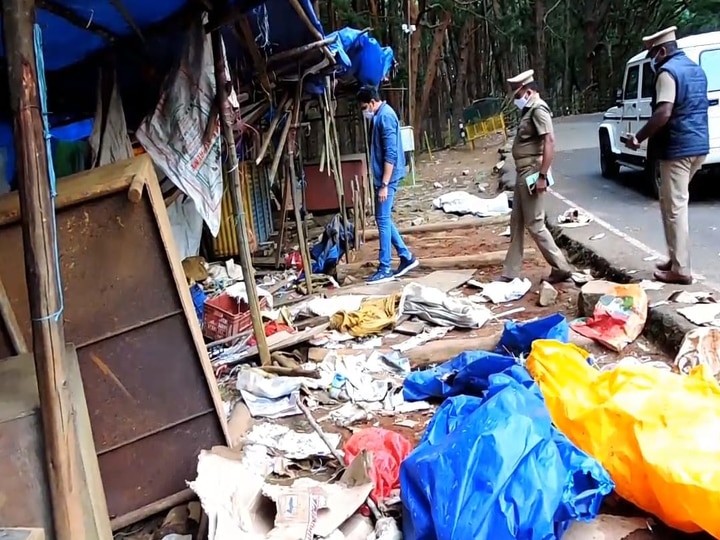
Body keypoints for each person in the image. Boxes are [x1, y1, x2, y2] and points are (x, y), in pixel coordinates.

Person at [625, 26, 709, 285]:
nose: (652, 59)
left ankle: (681, 269)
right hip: (698, 146)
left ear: (662, 51)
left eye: (653, 54)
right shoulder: (695, 68)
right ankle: (674, 259)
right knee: (670, 203)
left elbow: (663, 113)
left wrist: (638, 137)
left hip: (676, 149)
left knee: (675, 209)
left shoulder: (667, 73)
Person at [500, 70, 573, 284]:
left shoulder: (539, 110)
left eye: (517, 94)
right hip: (523, 173)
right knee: (517, 222)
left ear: (528, 91)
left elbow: (549, 142)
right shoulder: (528, 111)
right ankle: (510, 271)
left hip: (532, 172)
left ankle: (561, 267)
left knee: (535, 223)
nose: (515, 99)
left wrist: (542, 176)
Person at [357, 85, 418, 283]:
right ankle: (406, 256)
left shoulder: (385, 117)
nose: (365, 111)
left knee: (382, 220)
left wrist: (384, 184)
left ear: (373, 102)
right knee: (383, 218)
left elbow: (391, 153)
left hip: (388, 178)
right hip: (384, 177)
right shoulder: (380, 115)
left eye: (365, 107)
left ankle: (385, 267)